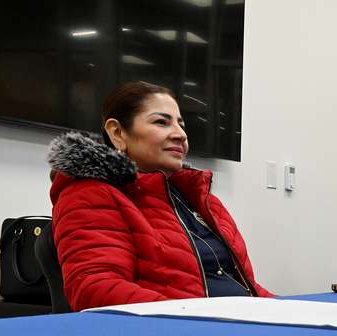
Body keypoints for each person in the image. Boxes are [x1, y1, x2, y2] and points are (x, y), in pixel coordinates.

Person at [48, 81, 272, 311]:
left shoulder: (199, 199)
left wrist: (290, 308)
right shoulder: (90, 193)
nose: (180, 134)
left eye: (181, 124)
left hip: (238, 324)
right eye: (161, 122)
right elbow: (95, 289)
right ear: (117, 132)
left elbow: (242, 286)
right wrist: (199, 317)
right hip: (185, 334)